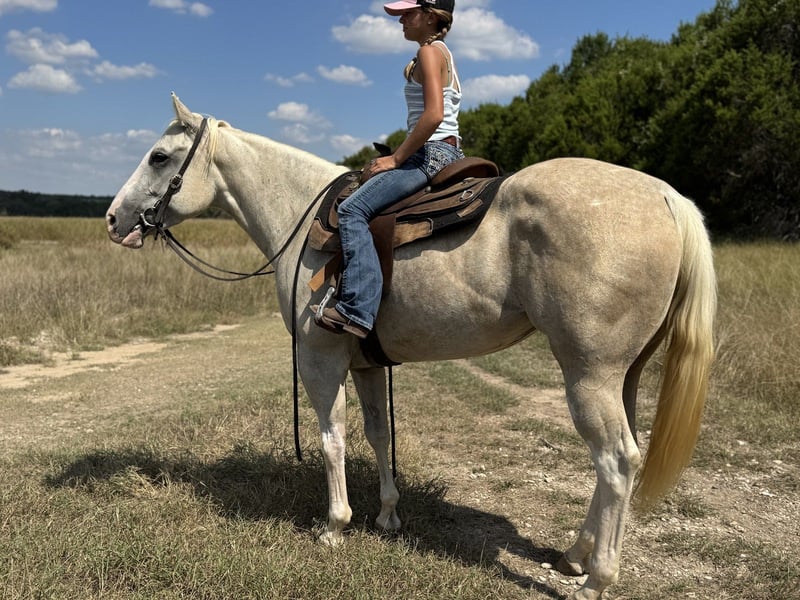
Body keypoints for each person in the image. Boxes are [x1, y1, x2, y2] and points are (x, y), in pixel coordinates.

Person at [314, 0, 463, 339]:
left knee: (352, 209)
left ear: (430, 16)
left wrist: (396, 159)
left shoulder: (429, 52)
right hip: (444, 150)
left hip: (431, 153)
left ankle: (357, 309)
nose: (401, 20)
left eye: (408, 13)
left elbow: (434, 115)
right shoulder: (440, 53)